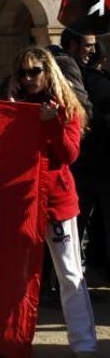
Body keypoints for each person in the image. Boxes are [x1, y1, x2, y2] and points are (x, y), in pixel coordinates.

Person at [7, 47, 97, 357]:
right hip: (21, 202)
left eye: (35, 72)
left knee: (69, 273)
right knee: (18, 276)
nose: (29, 78)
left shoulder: (66, 108)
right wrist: (10, 110)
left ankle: (84, 343)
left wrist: (50, 122)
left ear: (48, 73)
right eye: (23, 73)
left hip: (56, 201)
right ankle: (14, 339)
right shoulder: (14, 108)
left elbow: (69, 154)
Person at [62, 26, 110, 278]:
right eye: (88, 45)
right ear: (72, 46)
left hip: (99, 166)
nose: (92, 50)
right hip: (78, 168)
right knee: (72, 231)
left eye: (94, 46)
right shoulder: (68, 78)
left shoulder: (98, 78)